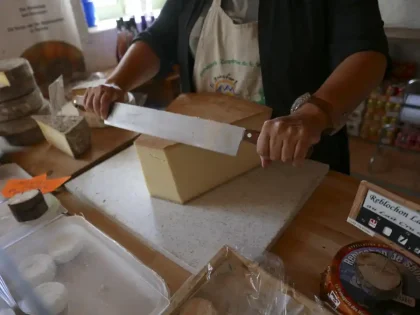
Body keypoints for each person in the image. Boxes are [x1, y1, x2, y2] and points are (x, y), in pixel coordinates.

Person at [83, 0, 389, 174]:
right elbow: (158, 38)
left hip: (295, 159)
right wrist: (116, 82)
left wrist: (313, 114)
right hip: (208, 154)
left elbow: (367, 54)